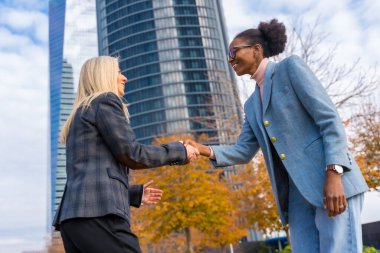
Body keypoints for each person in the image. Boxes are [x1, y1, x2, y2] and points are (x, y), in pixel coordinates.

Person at [185, 19, 368, 253]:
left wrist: (334, 174)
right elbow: (243, 150)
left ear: (256, 49)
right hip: (297, 197)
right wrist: (203, 149)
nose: (230, 59)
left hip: (330, 181)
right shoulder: (251, 105)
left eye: (234, 51)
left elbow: (329, 119)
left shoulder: (290, 68)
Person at [53, 56, 199, 253]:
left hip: (73, 221)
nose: (124, 77)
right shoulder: (105, 101)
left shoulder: (80, 114)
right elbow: (132, 153)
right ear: (103, 76)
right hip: (99, 217)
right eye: (118, 72)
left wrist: (133, 194)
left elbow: (88, 174)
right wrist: (178, 151)